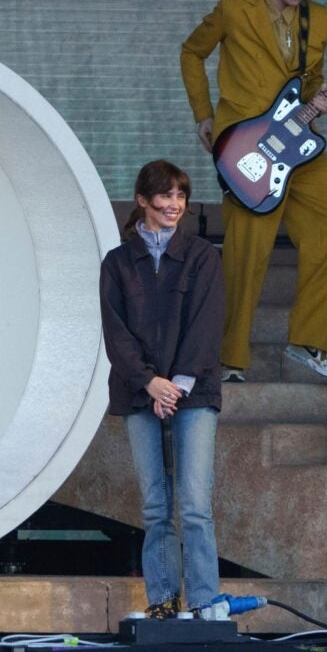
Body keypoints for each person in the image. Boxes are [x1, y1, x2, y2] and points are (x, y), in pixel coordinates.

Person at [181, 0, 327, 381]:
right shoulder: (234, 8)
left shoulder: (320, 19)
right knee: (247, 250)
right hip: (246, 145)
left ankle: (310, 341)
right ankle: (226, 360)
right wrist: (203, 115)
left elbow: (307, 84)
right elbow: (191, 52)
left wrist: (320, 99)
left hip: (296, 142)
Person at [99, 160, 224, 618]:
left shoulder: (202, 256)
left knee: (194, 503)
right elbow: (116, 334)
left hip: (195, 392)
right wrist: (150, 382)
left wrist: (177, 385)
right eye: (165, 196)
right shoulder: (117, 262)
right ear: (142, 201)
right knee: (155, 506)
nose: (174, 205)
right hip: (139, 391)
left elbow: (207, 326)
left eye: (180, 196)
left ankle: (206, 603)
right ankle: (163, 601)